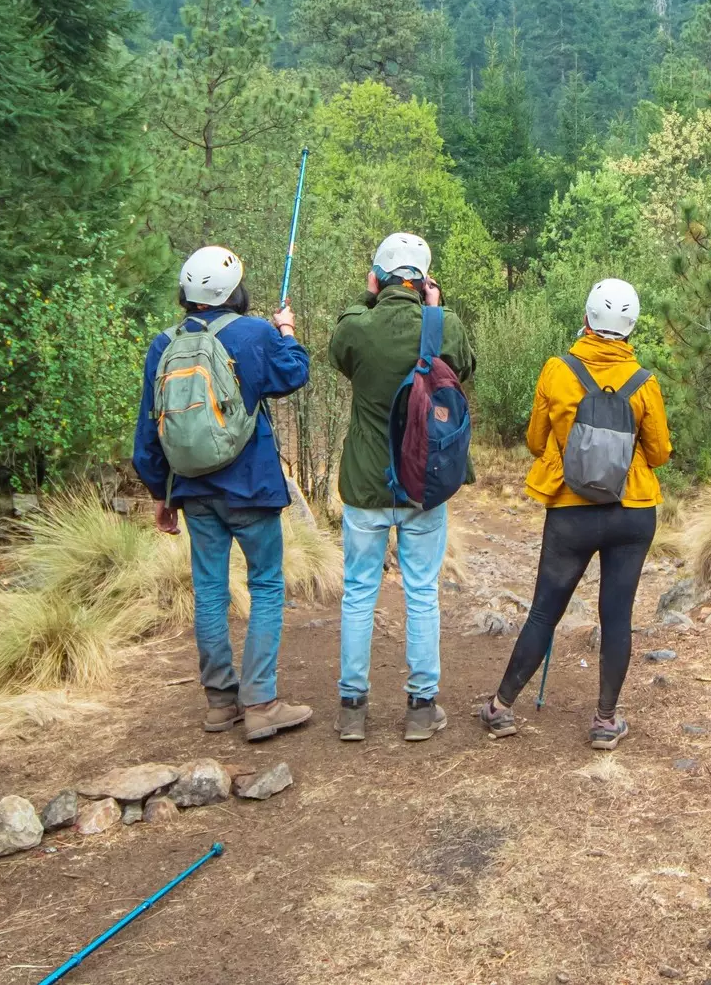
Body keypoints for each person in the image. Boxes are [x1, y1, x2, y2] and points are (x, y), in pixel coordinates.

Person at [474, 278, 670, 751]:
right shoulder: (644, 382)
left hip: (571, 512)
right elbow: (660, 452)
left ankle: (501, 709)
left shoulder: (557, 370)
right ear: (630, 327)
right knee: (617, 616)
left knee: (544, 611)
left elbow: (537, 441)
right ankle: (605, 722)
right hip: (633, 511)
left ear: (586, 319)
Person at [133, 245, 313, 740]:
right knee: (267, 586)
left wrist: (160, 493)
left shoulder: (162, 345)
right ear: (233, 291)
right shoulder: (254, 333)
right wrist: (286, 330)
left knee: (210, 591)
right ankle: (261, 703)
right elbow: (295, 373)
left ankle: (219, 704)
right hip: (251, 486)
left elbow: (149, 432)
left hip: (192, 490)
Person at [328, 232, 476, 743]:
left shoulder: (357, 327)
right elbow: (464, 369)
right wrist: (436, 311)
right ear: (423, 280)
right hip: (423, 483)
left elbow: (340, 351)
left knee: (358, 593)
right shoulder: (446, 325)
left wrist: (368, 299)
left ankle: (352, 708)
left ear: (378, 278)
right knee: (421, 593)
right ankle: (420, 706)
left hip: (366, 485)